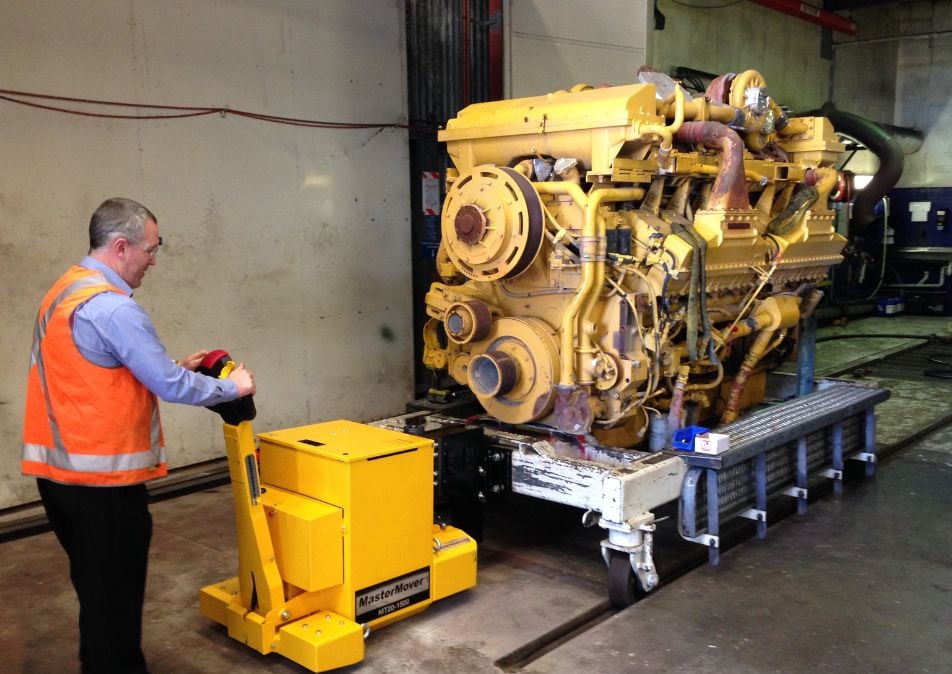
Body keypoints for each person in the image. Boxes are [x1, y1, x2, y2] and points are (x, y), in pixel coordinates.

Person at [22, 197, 256, 673]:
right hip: (103, 490)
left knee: (98, 592)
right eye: (152, 249)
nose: (154, 259)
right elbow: (168, 386)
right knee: (115, 602)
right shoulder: (112, 309)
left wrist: (172, 366)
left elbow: (98, 370)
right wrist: (232, 387)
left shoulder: (65, 291)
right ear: (122, 246)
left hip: (59, 480)